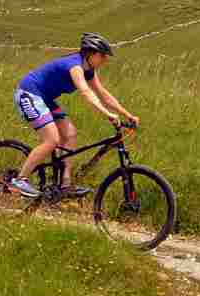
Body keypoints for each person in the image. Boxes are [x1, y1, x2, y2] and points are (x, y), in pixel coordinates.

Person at [9, 32, 139, 198]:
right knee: (52, 139)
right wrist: (108, 114)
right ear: (90, 53)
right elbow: (86, 93)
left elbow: (102, 93)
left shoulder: (88, 70)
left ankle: (65, 184)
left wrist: (127, 115)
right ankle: (20, 180)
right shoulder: (74, 66)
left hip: (45, 98)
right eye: (102, 56)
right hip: (29, 93)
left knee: (70, 134)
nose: (105, 60)